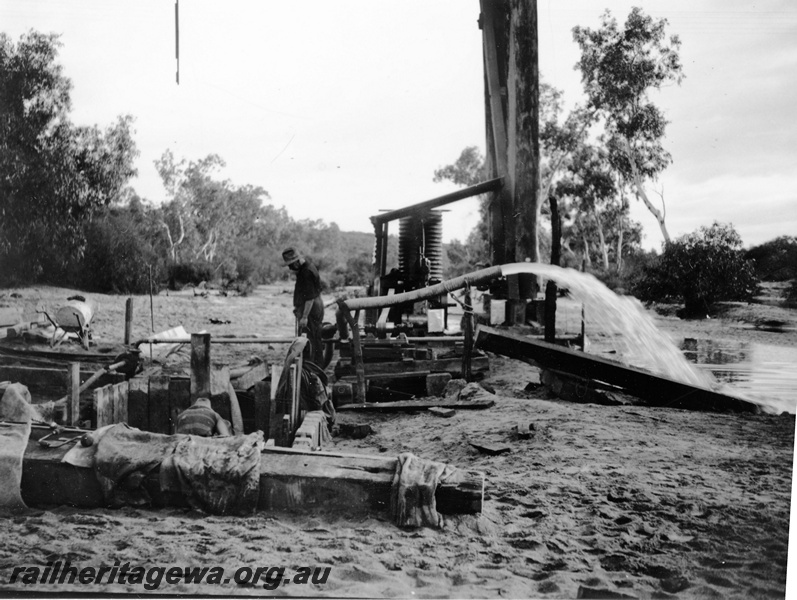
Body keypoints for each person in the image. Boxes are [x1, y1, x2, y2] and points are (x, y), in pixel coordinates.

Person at [282, 247, 325, 366]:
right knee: (313, 339)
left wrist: (304, 316)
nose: (290, 268)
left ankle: (312, 369)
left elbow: (310, 297)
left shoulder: (306, 272)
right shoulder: (306, 267)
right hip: (312, 307)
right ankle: (313, 367)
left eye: (291, 265)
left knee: (309, 340)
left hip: (311, 309)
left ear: (296, 261)